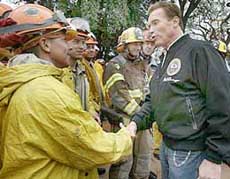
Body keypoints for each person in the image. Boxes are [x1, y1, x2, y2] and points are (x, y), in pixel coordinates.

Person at [0, 4, 133, 179]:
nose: (68, 46)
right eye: (63, 40)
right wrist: (126, 137)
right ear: (45, 44)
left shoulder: (23, 82)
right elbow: (92, 148)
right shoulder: (45, 91)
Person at [127, 2, 230, 179]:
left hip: (191, 152)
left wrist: (214, 157)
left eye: (155, 23)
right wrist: (135, 122)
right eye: (148, 25)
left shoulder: (199, 51)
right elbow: (154, 100)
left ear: (175, 22)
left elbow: (222, 103)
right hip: (168, 148)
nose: (150, 30)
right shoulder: (164, 59)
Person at [103, 27, 153, 179]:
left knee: (143, 159)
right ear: (124, 45)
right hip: (123, 121)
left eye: (139, 43)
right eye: (134, 44)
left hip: (141, 120)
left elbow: (149, 89)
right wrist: (141, 114)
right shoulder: (114, 65)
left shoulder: (143, 65)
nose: (138, 47)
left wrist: (144, 115)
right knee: (124, 162)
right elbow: (118, 94)